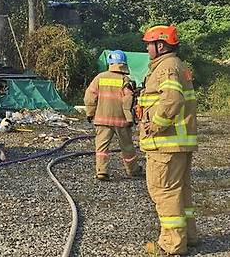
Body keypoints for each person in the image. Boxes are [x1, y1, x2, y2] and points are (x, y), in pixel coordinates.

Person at [139, 25, 198, 255]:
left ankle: (172, 244)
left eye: (149, 44)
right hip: (177, 143)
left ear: (160, 45)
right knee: (180, 191)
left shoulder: (167, 68)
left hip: (165, 143)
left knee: (163, 191)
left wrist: (155, 126)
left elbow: (172, 100)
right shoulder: (177, 66)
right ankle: (188, 237)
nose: (146, 48)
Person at [84, 50, 140, 181]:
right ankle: (133, 170)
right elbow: (128, 99)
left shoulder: (99, 77)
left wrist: (90, 113)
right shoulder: (125, 80)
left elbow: (89, 96)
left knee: (102, 147)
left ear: (110, 63)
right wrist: (130, 117)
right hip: (121, 121)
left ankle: (102, 171)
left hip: (102, 119)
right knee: (127, 147)